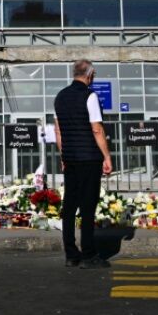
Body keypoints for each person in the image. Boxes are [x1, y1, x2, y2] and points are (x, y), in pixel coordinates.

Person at [54, 59, 113, 269]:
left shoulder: (60, 97)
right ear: (89, 75)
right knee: (88, 207)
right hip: (89, 158)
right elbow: (96, 129)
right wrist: (106, 156)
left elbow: (58, 130)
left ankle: (71, 254)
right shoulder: (90, 96)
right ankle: (88, 254)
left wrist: (63, 155)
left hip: (70, 159)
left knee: (69, 206)